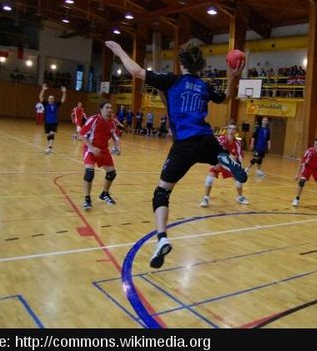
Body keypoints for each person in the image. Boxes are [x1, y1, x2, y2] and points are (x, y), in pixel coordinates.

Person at [105, 40, 246, 269]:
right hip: (206, 138)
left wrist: (119, 50)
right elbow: (226, 98)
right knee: (215, 153)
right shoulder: (203, 85)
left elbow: (135, 71)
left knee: (161, 193)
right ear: (199, 65)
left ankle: (162, 239)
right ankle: (223, 157)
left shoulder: (171, 80)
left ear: (180, 63)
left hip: (184, 145)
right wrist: (232, 76)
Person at [79, 101, 121, 210]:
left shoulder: (112, 122)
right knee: (89, 174)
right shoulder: (94, 119)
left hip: (103, 150)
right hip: (90, 148)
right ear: (101, 109)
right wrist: (92, 148)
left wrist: (117, 147)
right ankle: (87, 199)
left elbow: (115, 137)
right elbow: (82, 134)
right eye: (107, 107)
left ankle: (105, 194)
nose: (110, 109)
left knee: (112, 173)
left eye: (111, 107)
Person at [200, 124, 249, 207]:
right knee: (209, 179)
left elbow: (239, 158)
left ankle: (240, 197)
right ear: (227, 130)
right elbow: (213, 152)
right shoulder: (220, 140)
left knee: (239, 181)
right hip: (218, 162)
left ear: (236, 131)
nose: (232, 130)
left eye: (234, 129)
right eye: (230, 128)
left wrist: (240, 169)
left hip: (230, 165)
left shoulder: (238, 143)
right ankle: (206, 198)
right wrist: (215, 163)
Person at [39, 84, 67, 154]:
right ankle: (49, 146)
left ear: (53, 100)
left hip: (54, 122)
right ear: (48, 99)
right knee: (48, 135)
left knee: (51, 133)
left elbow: (63, 100)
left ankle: (49, 147)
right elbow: (40, 97)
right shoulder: (45, 104)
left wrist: (64, 92)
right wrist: (43, 89)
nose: (51, 99)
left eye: (52, 98)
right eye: (50, 98)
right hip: (47, 122)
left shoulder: (56, 105)